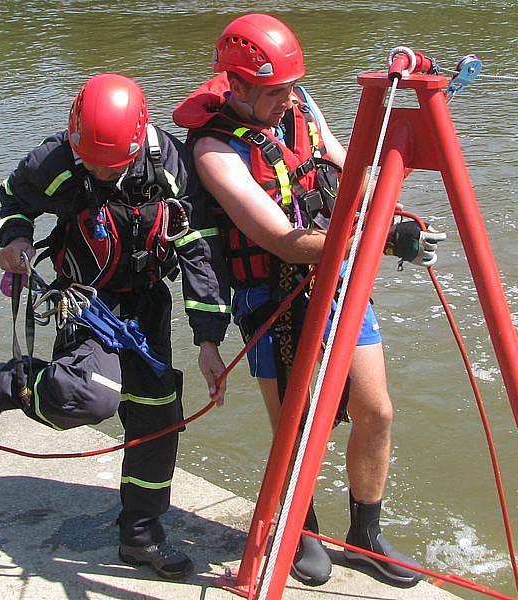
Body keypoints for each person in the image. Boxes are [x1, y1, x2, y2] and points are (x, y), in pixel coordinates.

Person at [173, 14, 445, 587]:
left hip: (337, 271)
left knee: (377, 409)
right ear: (237, 85)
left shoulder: (299, 109)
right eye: (273, 91)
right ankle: (300, 527)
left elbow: (351, 173)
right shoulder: (213, 150)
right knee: (297, 428)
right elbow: (279, 239)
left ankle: (364, 535)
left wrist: (395, 216)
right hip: (269, 292)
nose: (287, 99)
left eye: (292, 87)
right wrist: (375, 239)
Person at [0, 73, 230, 580]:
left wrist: (209, 340)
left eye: (115, 165)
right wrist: (14, 241)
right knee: (90, 398)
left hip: (148, 305)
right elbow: (10, 199)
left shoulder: (169, 163)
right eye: (93, 164)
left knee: (158, 420)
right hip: (83, 301)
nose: (104, 174)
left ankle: (141, 538)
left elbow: (199, 249)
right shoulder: (55, 160)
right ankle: (11, 383)